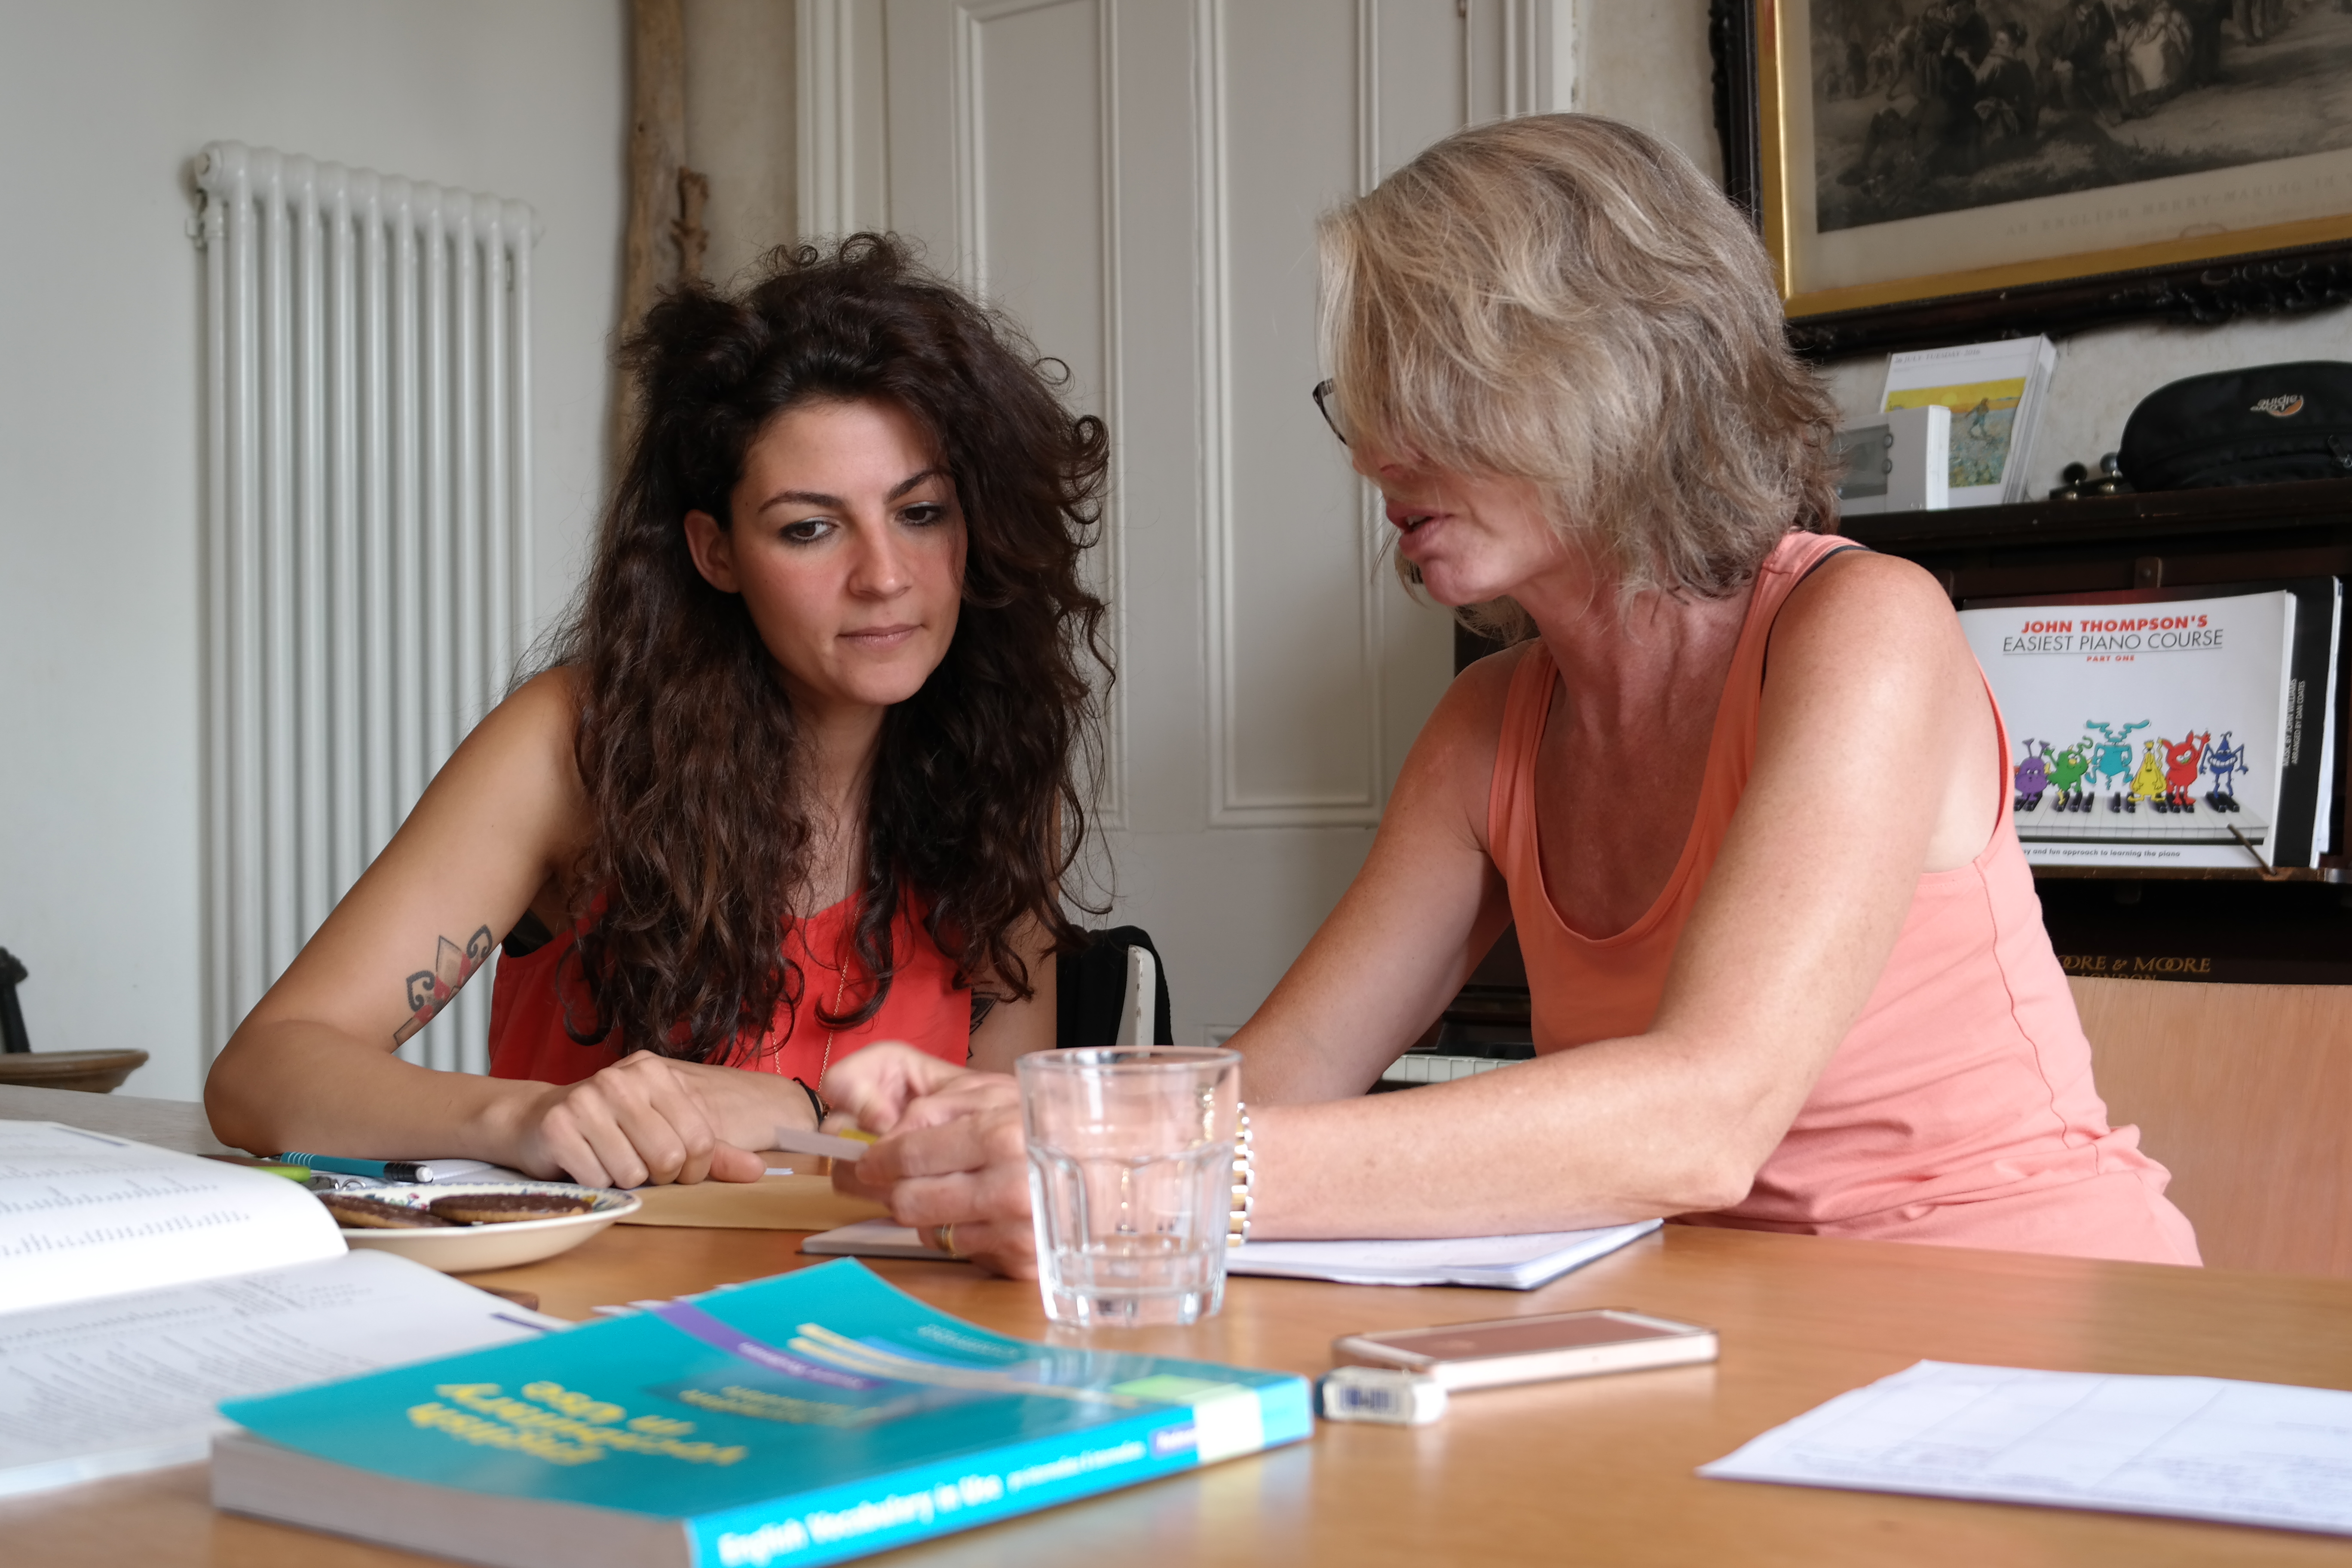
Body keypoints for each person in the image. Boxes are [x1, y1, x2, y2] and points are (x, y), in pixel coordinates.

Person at [818, 115, 2201, 1277]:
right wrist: (1006, 1116)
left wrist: (1160, 1169)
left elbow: (1701, 1118)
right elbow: (1278, 1083)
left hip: (2026, 1318)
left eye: (1424, 387)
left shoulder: (1862, 626)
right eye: (1354, 396)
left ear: (1614, 374)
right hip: (1720, 1328)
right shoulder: (1487, 726)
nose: (1369, 452)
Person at [206, 236, 1110, 1189]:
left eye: (921, 513)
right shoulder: (575, 745)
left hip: (878, 1315)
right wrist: (530, 1117)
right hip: (602, 1310)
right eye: (810, 528)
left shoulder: (998, 767)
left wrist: (802, 1113)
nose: (884, 577)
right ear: (716, 553)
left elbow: (1008, 1147)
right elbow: (263, 1075)